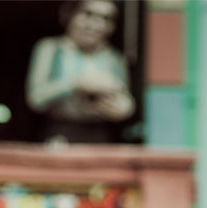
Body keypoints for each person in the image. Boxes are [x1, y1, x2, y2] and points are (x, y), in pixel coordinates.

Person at [25, 0, 134, 144]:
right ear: (69, 15)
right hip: (60, 133)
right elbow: (35, 99)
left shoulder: (114, 58)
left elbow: (125, 101)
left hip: (100, 135)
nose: (96, 25)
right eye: (88, 14)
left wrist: (123, 108)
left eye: (106, 18)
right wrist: (76, 84)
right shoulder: (51, 49)